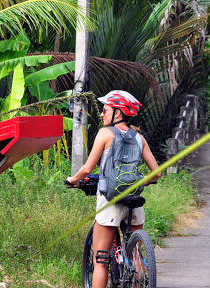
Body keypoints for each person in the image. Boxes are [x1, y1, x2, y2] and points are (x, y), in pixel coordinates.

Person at [66, 90, 162, 288]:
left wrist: (73, 179)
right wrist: (139, 182)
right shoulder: (139, 138)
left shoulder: (105, 133)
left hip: (110, 201)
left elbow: (87, 169)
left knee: (100, 260)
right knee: (136, 257)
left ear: (117, 113)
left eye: (105, 110)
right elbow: (157, 173)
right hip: (135, 202)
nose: (101, 114)